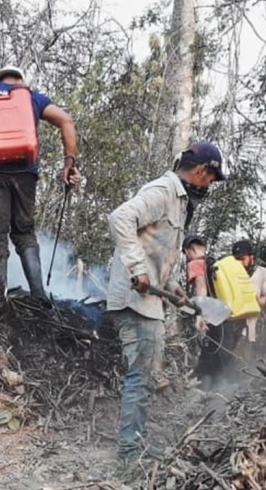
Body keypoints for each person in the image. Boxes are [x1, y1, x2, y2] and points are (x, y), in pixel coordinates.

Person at [106, 142, 226, 462]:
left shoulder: (180, 201)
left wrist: (172, 287)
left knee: (144, 376)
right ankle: (130, 454)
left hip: (149, 300)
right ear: (201, 171)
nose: (210, 185)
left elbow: (156, 251)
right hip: (134, 300)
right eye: (211, 179)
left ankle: (134, 444)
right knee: (141, 376)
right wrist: (137, 269)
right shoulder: (163, 191)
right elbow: (120, 218)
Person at [0, 66, 79, 299]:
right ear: (21, 79)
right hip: (25, 174)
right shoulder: (31, 96)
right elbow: (66, 120)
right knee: (24, 233)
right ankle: (39, 294)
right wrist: (69, 162)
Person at [187, 236, 241, 389]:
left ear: (189, 250)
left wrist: (200, 314)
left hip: (212, 314)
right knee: (222, 350)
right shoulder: (215, 263)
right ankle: (224, 384)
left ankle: (211, 386)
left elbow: (201, 287)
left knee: (212, 349)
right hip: (226, 313)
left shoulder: (196, 263)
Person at [232, 240, 266, 357]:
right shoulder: (230, 276)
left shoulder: (264, 274)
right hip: (233, 332)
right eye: (236, 259)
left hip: (255, 333)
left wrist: (251, 297)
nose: (239, 263)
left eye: (242, 259)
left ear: (251, 257)